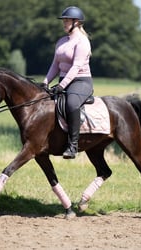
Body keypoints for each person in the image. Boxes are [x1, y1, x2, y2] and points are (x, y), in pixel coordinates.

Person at [43, 6, 93, 159]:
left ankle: (73, 145)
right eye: (63, 21)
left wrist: (61, 86)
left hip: (81, 82)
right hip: (63, 81)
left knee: (71, 103)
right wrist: (45, 82)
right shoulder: (61, 41)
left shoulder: (82, 42)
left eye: (67, 21)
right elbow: (55, 65)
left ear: (76, 22)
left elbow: (76, 67)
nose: (64, 23)